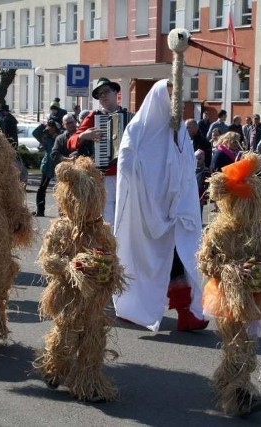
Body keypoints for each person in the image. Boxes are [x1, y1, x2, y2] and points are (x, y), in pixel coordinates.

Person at [113, 79, 208, 332]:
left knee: (180, 258)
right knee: (143, 259)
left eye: (175, 96)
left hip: (174, 211)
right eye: (168, 96)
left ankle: (185, 312)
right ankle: (135, 308)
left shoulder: (178, 132)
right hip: (145, 209)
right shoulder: (138, 128)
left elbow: (186, 168)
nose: (173, 102)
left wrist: (182, 198)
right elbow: (127, 163)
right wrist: (148, 189)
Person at [67, 77, 130, 227]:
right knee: (108, 218)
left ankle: (124, 249)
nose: (103, 96)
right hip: (105, 175)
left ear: (116, 93)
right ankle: (109, 247)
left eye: (106, 92)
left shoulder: (130, 117)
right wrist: (83, 135)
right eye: (100, 94)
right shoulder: (94, 117)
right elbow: (71, 142)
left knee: (125, 216)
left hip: (126, 174)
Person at [32, 119, 61, 217]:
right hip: (47, 166)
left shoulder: (59, 137)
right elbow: (35, 133)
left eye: (51, 126)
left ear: (55, 127)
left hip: (57, 165)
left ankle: (63, 212)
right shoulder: (46, 137)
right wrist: (42, 126)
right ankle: (40, 210)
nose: (49, 128)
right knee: (42, 189)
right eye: (48, 126)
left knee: (61, 189)